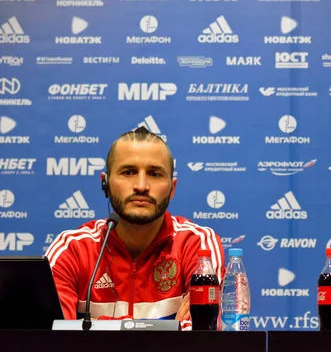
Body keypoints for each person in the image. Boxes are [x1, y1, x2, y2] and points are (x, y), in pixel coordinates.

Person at [45, 127, 225, 327]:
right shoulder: (73, 249)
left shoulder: (198, 244)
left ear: (172, 188)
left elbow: (204, 333)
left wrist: (91, 325)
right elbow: (50, 335)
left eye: (155, 174)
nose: (141, 185)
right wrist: (160, 327)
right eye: (128, 172)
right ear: (106, 184)